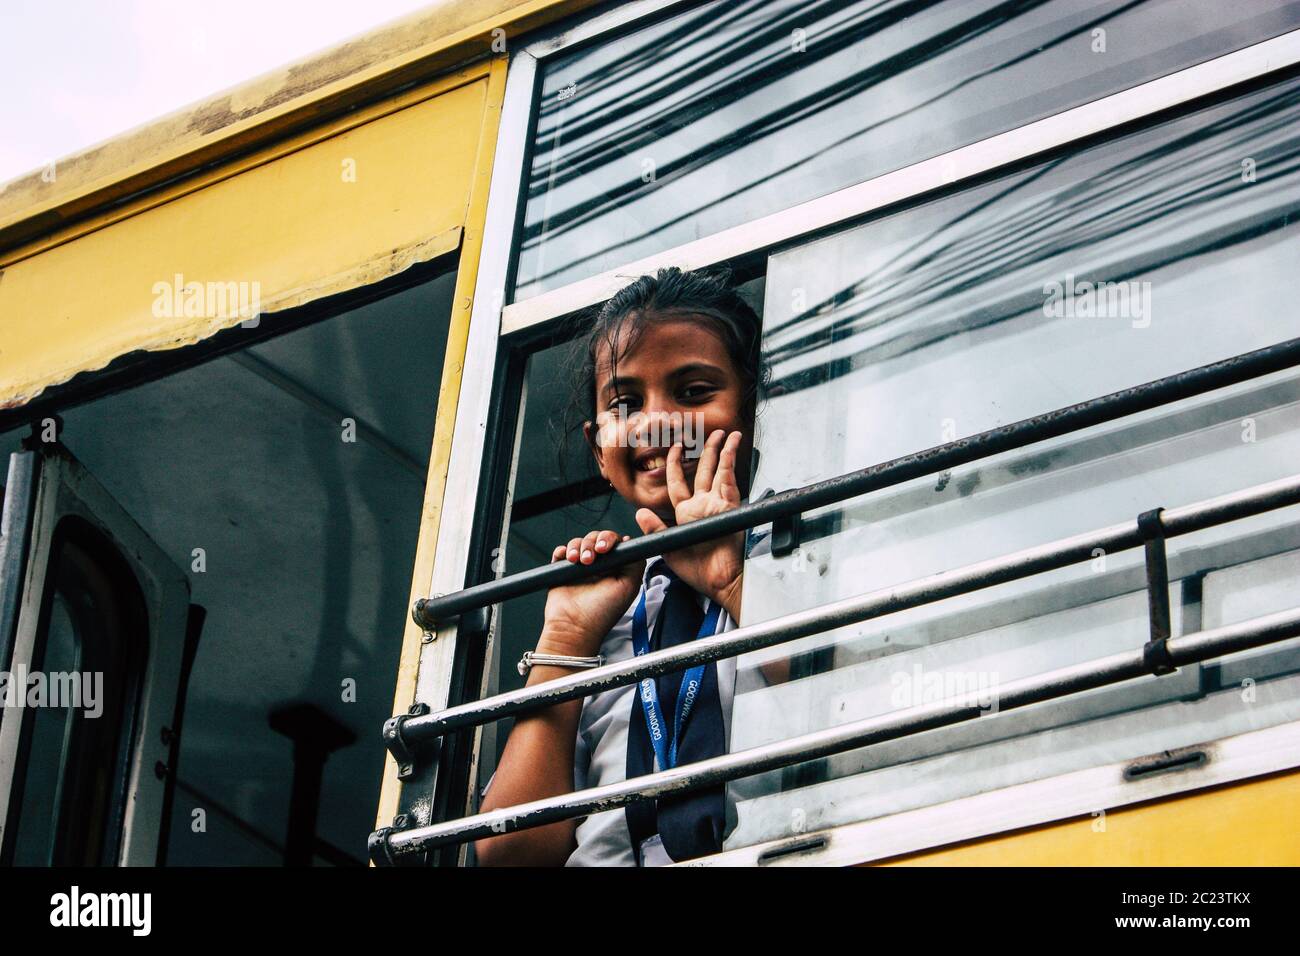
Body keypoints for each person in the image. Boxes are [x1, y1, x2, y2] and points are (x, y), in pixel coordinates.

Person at [475, 266, 767, 866]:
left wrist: (733, 584)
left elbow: (856, 701)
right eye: (625, 402)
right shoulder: (609, 610)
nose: (657, 422)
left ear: (756, 408)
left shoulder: (799, 555)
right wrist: (566, 638)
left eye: (692, 393)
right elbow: (510, 856)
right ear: (598, 449)